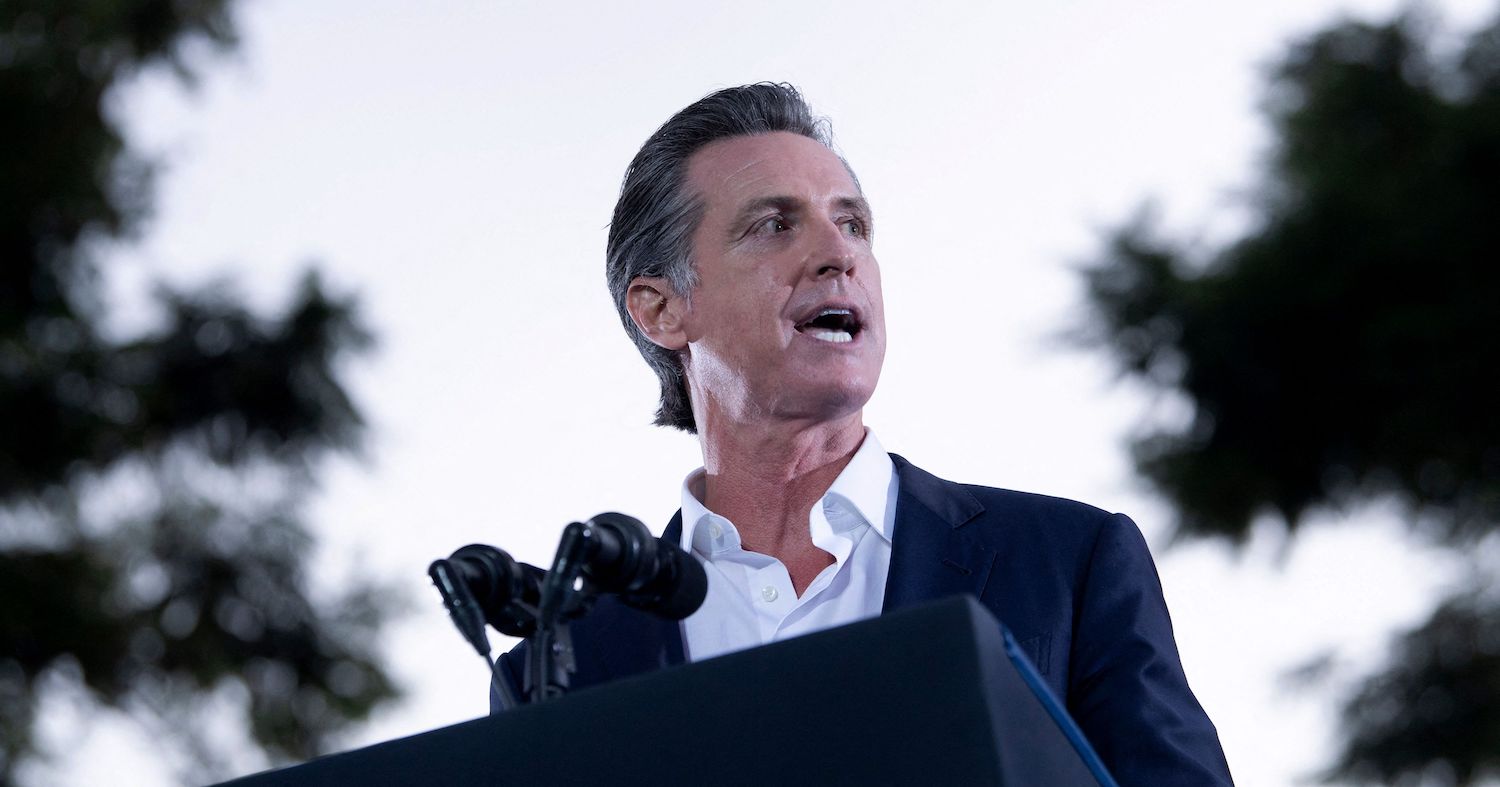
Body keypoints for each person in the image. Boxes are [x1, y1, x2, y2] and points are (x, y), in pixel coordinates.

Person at [497, 83, 1233, 785]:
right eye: (775, 224)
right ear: (661, 309)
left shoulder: (1067, 564)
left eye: (853, 223)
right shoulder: (560, 667)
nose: (839, 253)